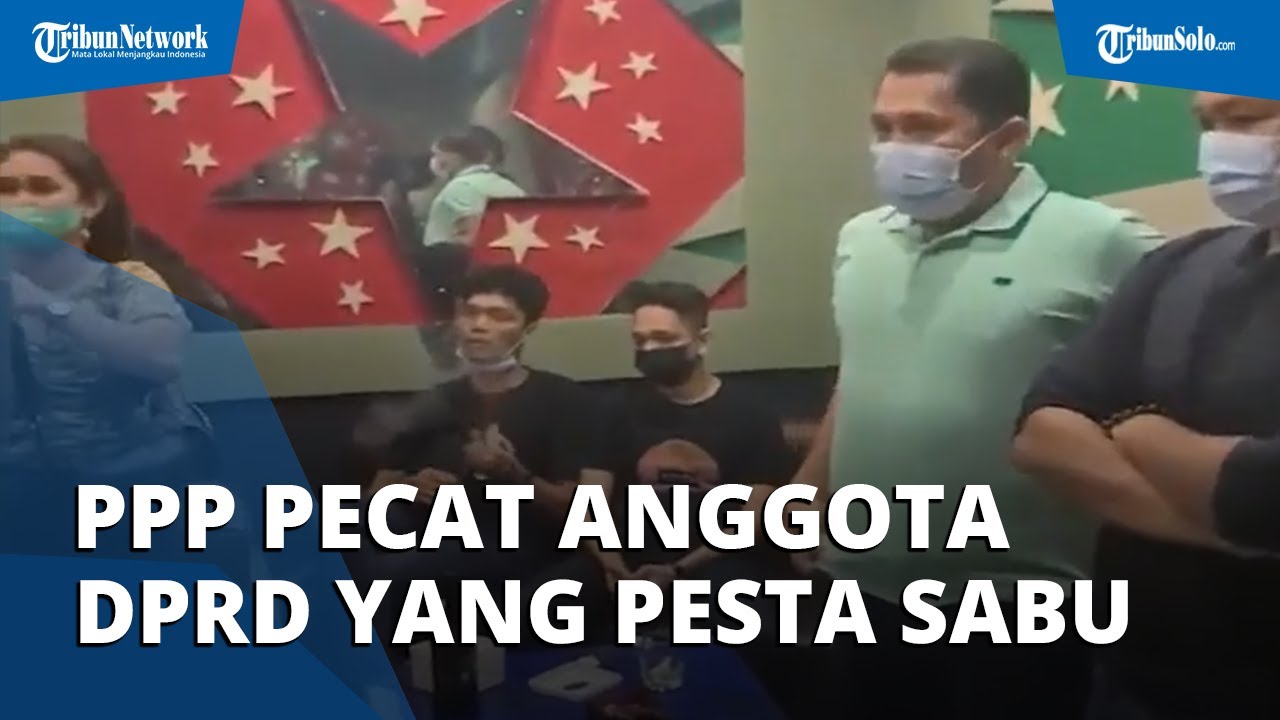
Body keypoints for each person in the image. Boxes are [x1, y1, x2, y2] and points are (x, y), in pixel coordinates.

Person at [785, 38, 1163, 718]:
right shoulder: (861, 237)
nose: (895, 147)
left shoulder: (1104, 239)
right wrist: (810, 488)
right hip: (863, 583)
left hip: (1019, 599)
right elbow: (862, 371)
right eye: (883, 127)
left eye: (922, 127)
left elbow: (1177, 381)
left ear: (1009, 137)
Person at [1013, 92, 1280, 720]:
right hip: (1137, 680)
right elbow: (1041, 432)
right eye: (1207, 123)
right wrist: (1226, 535)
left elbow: (1264, 493)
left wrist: (1140, 431)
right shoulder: (1178, 264)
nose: (1217, 145)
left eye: (1243, 118)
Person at [353, 264, 605, 653]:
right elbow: (377, 489)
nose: (479, 326)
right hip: (432, 532)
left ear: (528, 329)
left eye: (499, 316)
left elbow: (585, 512)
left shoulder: (566, 401)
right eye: (470, 313)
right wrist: (408, 486)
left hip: (521, 541)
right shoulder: (436, 399)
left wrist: (514, 475)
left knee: (397, 571)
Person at [0, 134, 213, 553]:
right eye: (6, 188)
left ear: (91, 203)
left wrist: (49, 307)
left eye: (43, 188)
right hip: (22, 502)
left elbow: (161, 358)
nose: (23, 201)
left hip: (134, 498)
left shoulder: (127, 281)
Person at [590, 281, 792, 595]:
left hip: (717, 560)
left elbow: (751, 519)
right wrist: (611, 563)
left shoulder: (752, 415)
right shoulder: (614, 409)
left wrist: (677, 571)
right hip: (625, 556)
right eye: (640, 340)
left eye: (664, 338)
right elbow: (590, 504)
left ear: (702, 341)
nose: (649, 349)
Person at [421, 125, 525, 248]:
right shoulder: (511, 187)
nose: (436, 160)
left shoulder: (460, 188)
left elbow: (476, 235)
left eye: (440, 153)